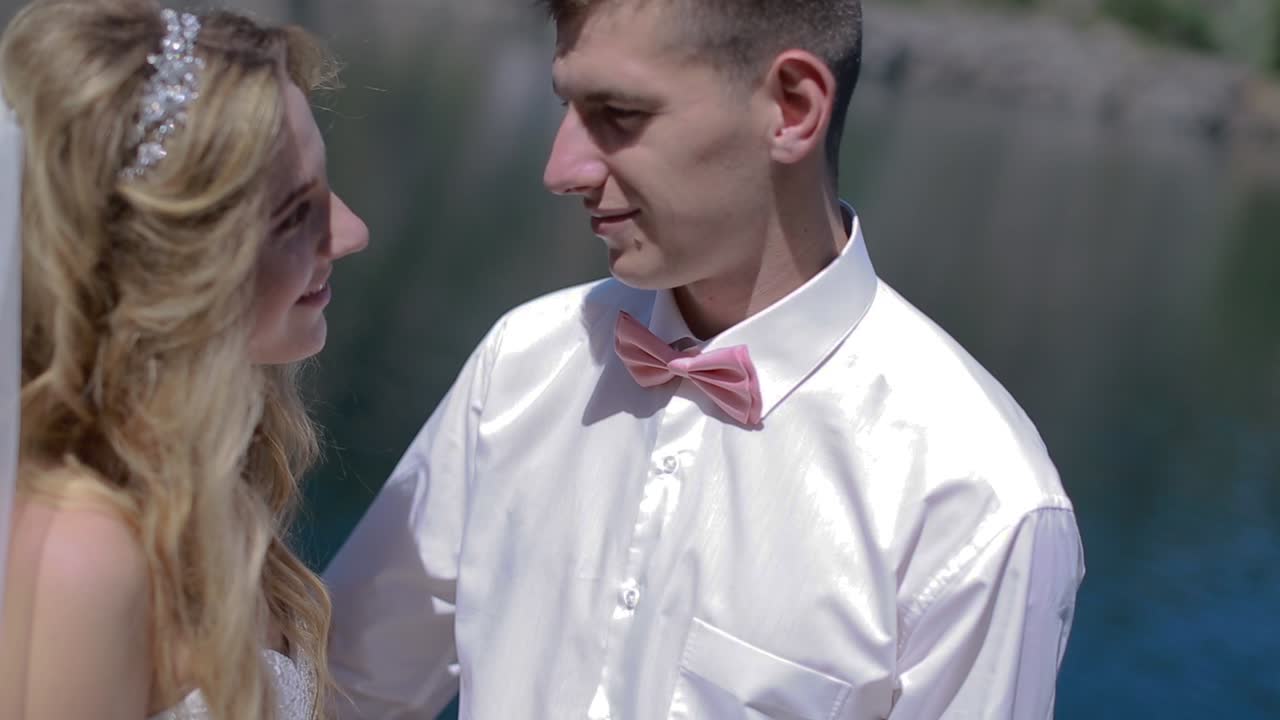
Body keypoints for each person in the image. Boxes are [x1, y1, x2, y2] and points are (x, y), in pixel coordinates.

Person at [324, 0, 1084, 717]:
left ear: (792, 107)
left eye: (618, 115)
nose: (562, 169)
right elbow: (342, 693)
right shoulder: (520, 363)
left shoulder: (979, 501)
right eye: (567, 106)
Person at [0, 1, 368, 718]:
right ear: (165, 265)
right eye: (296, 211)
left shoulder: (218, 489)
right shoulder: (81, 559)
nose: (351, 232)